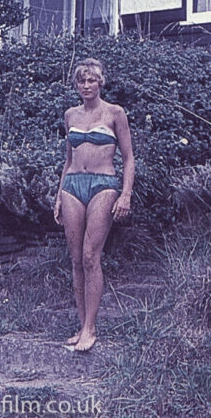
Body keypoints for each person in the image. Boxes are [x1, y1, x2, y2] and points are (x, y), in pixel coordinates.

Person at [54, 58, 135, 352]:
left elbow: (128, 158)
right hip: (72, 187)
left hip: (104, 184)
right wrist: (58, 195)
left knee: (91, 256)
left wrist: (125, 194)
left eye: (92, 80)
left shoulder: (115, 113)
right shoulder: (70, 115)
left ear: (101, 82)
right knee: (75, 259)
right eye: (81, 81)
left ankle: (91, 327)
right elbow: (68, 159)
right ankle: (81, 325)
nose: (86, 85)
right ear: (76, 84)